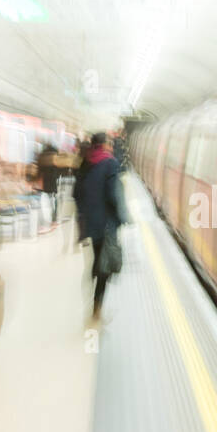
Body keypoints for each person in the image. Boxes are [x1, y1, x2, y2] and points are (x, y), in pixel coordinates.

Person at [73, 132, 129, 323]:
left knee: (95, 263)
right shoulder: (110, 164)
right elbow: (113, 196)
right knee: (103, 268)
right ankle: (96, 310)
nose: (112, 147)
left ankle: (91, 305)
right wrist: (122, 217)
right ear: (104, 145)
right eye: (110, 144)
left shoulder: (86, 163)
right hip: (106, 224)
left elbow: (76, 194)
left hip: (90, 224)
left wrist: (83, 217)